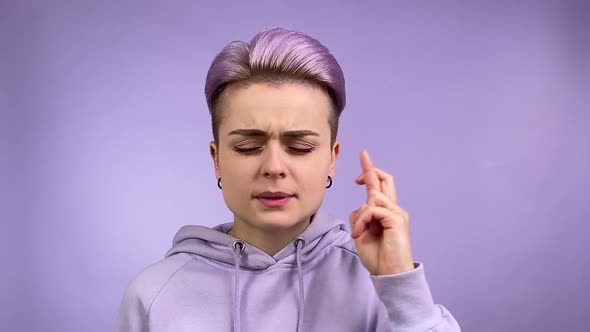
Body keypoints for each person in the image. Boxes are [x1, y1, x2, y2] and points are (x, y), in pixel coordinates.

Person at [115, 27, 461, 332]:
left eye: (300, 146)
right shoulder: (154, 293)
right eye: (249, 146)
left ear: (331, 159)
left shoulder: (379, 286)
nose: (274, 167)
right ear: (217, 159)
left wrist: (399, 281)